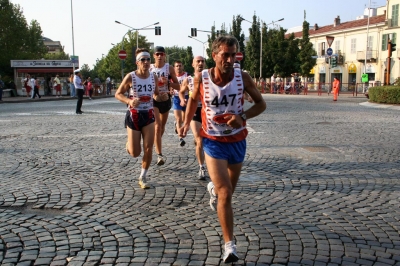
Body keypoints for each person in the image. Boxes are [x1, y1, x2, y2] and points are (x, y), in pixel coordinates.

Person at [179, 35, 266, 263]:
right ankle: (230, 247)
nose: (229, 59)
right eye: (225, 54)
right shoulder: (202, 78)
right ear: (214, 55)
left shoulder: (243, 77)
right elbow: (193, 101)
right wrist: (186, 123)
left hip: (237, 141)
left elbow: (261, 103)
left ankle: (213, 191)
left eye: (233, 54)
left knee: (227, 192)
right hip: (213, 141)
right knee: (226, 193)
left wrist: (243, 116)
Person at [115, 48, 163, 189]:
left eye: (148, 59)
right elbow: (118, 94)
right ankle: (129, 145)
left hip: (148, 115)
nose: (146, 62)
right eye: (143, 60)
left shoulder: (153, 77)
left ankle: (143, 176)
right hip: (134, 115)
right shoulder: (131, 77)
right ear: (137, 62)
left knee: (148, 148)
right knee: (135, 153)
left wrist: (161, 97)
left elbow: (156, 94)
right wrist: (129, 101)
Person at [149, 46, 180, 166]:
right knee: (157, 126)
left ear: (165, 55)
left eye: (162, 54)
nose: (160, 56)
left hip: (166, 99)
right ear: (154, 56)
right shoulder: (150, 68)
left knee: (162, 127)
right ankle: (159, 155)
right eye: (157, 54)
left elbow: (178, 86)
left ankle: (156, 143)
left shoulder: (169, 68)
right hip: (154, 99)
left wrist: (168, 82)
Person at [179, 56, 206, 180]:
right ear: (193, 64)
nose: (200, 63)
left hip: (207, 112)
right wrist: (182, 99)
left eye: (202, 61)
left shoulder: (209, 78)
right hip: (194, 111)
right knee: (199, 139)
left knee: (205, 141)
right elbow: (180, 91)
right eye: (198, 62)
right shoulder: (188, 79)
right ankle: (201, 167)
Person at [172, 60, 188, 147]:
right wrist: (170, 90)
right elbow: (169, 86)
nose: (178, 67)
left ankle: (176, 125)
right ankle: (180, 138)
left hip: (186, 98)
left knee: (184, 120)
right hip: (176, 98)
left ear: (183, 67)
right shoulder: (172, 77)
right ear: (174, 68)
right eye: (177, 66)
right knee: (178, 119)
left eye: (180, 66)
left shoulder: (187, 76)